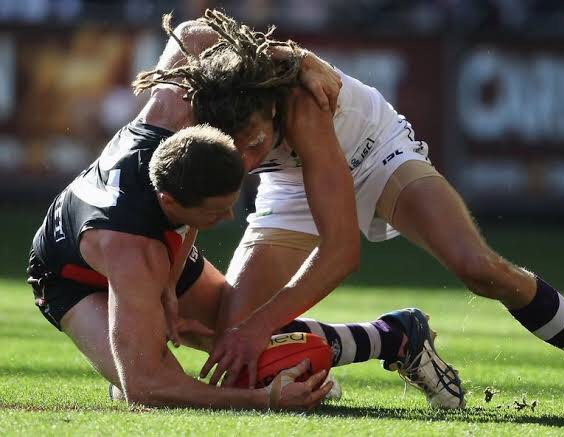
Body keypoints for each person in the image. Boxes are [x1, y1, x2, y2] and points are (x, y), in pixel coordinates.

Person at [133, 9, 564, 417]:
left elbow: (341, 252)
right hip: (291, 183)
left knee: (478, 268)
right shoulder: (204, 104)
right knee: (234, 345)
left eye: (255, 143)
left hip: (371, 153)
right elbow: (192, 35)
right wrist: (174, 290)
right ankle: (396, 338)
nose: (245, 160)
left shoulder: (302, 104)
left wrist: (259, 327)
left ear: (268, 108)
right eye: (235, 150)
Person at [27, 14, 463, 410]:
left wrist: (293, 56)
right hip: (68, 275)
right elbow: (147, 386)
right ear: (174, 208)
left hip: (133, 236)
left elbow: (191, 33)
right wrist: (263, 398)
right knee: (150, 383)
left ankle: (396, 336)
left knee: (239, 337)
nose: (230, 219)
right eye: (215, 212)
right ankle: (365, 343)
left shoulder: (169, 111)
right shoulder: (135, 252)